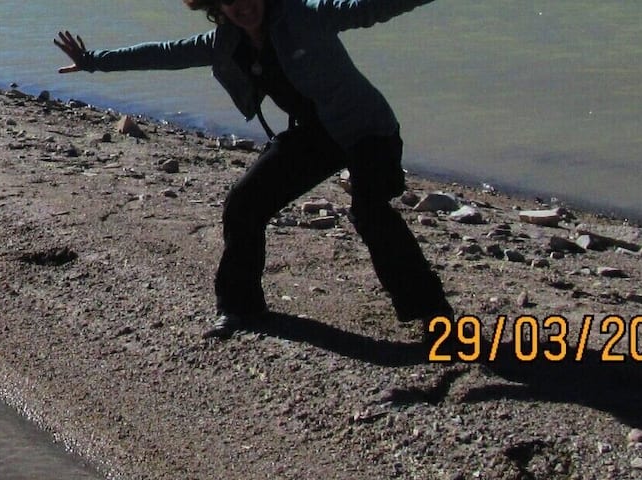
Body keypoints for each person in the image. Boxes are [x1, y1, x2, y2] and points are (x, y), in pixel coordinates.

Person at [52, 0, 453, 339]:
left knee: (370, 211)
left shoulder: (305, 16)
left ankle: (434, 316)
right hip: (316, 134)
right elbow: (165, 53)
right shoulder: (225, 43)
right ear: (216, 7)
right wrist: (92, 62)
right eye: (229, 0)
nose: (242, 6)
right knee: (244, 204)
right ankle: (240, 309)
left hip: (368, 129)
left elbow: (369, 7)